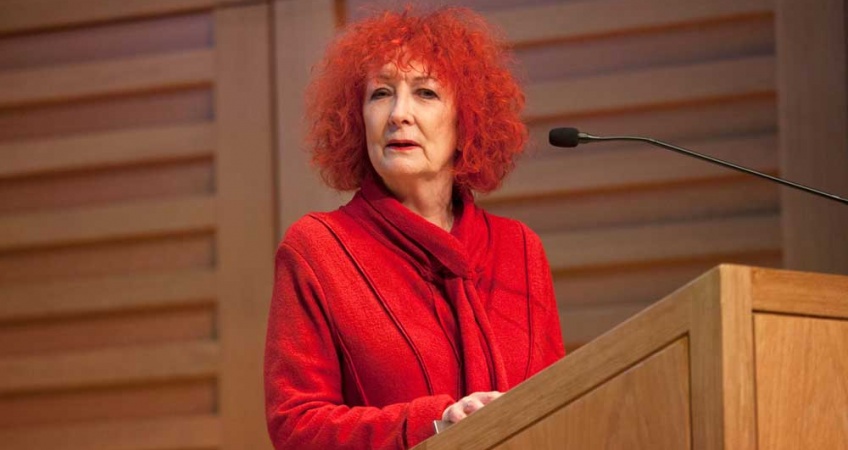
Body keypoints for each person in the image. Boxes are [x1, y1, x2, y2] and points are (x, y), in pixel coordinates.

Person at [264, 6, 565, 450]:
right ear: (357, 117)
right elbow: (296, 425)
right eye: (381, 94)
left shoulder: (520, 248)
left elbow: (560, 406)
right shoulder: (316, 249)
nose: (398, 114)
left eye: (425, 93)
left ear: (467, 119)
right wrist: (432, 424)